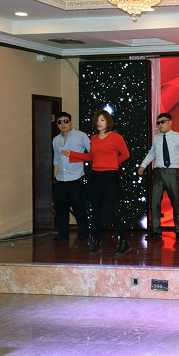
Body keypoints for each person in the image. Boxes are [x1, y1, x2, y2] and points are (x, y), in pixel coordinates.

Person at [62, 109, 131, 255]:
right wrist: (72, 154)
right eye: (97, 120)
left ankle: (124, 242)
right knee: (95, 211)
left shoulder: (116, 137)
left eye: (102, 120)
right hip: (96, 177)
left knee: (110, 211)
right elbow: (90, 157)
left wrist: (114, 164)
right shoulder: (93, 138)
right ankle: (96, 242)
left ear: (108, 122)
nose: (99, 123)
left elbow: (126, 154)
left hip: (110, 177)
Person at [138, 112, 179, 242]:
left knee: (175, 201)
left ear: (170, 122)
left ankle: (178, 229)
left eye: (163, 122)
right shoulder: (156, 138)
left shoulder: (178, 137)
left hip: (171, 172)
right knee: (155, 202)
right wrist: (143, 165)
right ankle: (156, 230)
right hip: (158, 172)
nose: (160, 125)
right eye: (158, 123)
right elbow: (151, 153)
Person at [52, 111, 91, 242]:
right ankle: (63, 234)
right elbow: (56, 158)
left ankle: (84, 233)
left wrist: (75, 155)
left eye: (65, 121)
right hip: (61, 178)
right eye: (60, 122)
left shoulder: (80, 136)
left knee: (78, 206)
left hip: (76, 178)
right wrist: (55, 175)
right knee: (61, 207)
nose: (63, 124)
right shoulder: (56, 140)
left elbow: (92, 153)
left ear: (70, 122)